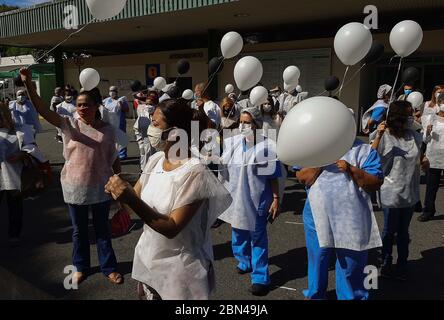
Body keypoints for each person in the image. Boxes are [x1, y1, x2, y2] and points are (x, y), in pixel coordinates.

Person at [104, 99, 232, 300]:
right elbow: (131, 205)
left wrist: (129, 197)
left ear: (175, 132)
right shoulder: (156, 160)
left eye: (155, 123)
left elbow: (172, 227)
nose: (150, 128)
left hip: (180, 273)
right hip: (150, 262)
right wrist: (118, 192)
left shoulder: (195, 173)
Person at [20, 68, 126, 286]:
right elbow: (41, 107)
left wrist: (120, 184)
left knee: (103, 231)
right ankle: (80, 267)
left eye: (86, 104)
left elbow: (113, 158)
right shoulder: (69, 125)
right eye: (79, 105)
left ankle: (109, 268)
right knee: (79, 232)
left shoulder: (108, 130)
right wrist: (28, 84)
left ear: (97, 105)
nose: (82, 108)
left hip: (102, 187)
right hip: (74, 187)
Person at [295, 138, 383, 300]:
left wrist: (351, 170)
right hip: (317, 214)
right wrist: (322, 159)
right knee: (318, 257)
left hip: (351, 217)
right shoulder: (314, 146)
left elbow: (375, 182)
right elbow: (302, 177)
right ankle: (315, 295)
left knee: (351, 261)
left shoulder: (364, 150)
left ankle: (350, 296)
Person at [218, 106, 282, 296]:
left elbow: (273, 177)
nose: (243, 126)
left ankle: (260, 277)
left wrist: (276, 199)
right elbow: (223, 162)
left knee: (257, 237)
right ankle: (244, 261)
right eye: (241, 122)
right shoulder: (234, 143)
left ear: (256, 125)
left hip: (259, 198)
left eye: (247, 122)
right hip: (237, 196)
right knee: (238, 229)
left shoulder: (266, 147)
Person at [371, 100, 422, 281]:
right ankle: (385, 261)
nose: (412, 117)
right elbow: (370, 156)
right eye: (408, 114)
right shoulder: (384, 135)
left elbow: (420, 158)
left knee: (404, 231)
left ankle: (402, 263)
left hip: (409, 191)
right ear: (399, 117)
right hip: (390, 191)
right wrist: (378, 135)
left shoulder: (415, 136)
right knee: (389, 230)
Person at [0, 103, 46, 243]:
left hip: (15, 176)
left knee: (15, 206)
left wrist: (22, 154)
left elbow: (32, 147)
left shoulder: (20, 129)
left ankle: (14, 235)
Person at [418, 93, 444, 222]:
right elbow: (425, 140)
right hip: (434, 156)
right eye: (443, 102)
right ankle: (428, 210)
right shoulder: (430, 118)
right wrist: (427, 132)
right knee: (431, 186)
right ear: (438, 104)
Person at [103, 86, 129, 160]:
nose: (112, 92)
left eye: (113, 91)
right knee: (111, 139)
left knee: (121, 138)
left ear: (117, 92)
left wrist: (120, 103)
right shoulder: (107, 100)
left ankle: (122, 155)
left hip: (120, 122)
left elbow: (126, 109)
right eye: (110, 91)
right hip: (110, 122)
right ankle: (113, 154)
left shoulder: (122, 99)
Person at [134, 98, 157, 170]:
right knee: (144, 162)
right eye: (146, 104)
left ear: (155, 105)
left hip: (157, 145)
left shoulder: (159, 117)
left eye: (150, 104)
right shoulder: (142, 116)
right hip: (145, 143)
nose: (148, 106)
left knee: (155, 164)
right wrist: (140, 142)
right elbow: (136, 129)